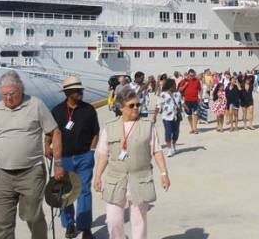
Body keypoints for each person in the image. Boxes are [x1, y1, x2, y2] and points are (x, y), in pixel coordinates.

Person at [0, 72, 64, 239]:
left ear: (21, 90)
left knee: (31, 215)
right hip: (3, 175)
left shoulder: (35, 104)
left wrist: (58, 164)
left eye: (12, 94)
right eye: (4, 95)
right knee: (0, 224)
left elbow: (55, 132)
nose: (8, 98)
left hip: (31, 172)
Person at [93, 86, 170, 239]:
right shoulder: (109, 127)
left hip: (140, 180)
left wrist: (164, 173)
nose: (136, 108)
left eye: (138, 104)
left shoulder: (148, 126)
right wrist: (98, 176)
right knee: (113, 221)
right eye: (131, 105)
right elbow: (103, 154)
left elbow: (157, 151)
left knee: (139, 221)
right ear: (121, 107)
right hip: (116, 181)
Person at [48, 77, 99, 239]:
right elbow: (49, 134)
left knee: (84, 191)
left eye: (81, 90)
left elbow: (95, 133)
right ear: (68, 93)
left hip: (84, 157)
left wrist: (91, 151)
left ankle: (85, 227)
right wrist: (47, 147)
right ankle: (69, 224)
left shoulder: (89, 110)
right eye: (77, 90)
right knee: (65, 192)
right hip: (64, 158)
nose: (80, 92)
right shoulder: (57, 111)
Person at [157, 78, 182, 157]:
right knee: (168, 132)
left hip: (176, 116)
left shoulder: (178, 93)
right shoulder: (163, 94)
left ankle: (173, 144)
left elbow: (180, 103)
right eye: (174, 84)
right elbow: (158, 105)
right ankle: (169, 149)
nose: (175, 86)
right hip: (166, 116)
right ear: (170, 85)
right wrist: (154, 116)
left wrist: (182, 109)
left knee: (176, 132)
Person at [178, 69, 202, 134]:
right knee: (189, 115)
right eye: (191, 75)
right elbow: (180, 89)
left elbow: (200, 89)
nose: (192, 77)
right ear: (188, 74)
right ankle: (192, 128)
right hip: (187, 100)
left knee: (196, 114)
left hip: (195, 100)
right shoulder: (184, 81)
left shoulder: (197, 81)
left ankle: (195, 128)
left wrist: (200, 97)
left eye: (193, 75)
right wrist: (185, 85)